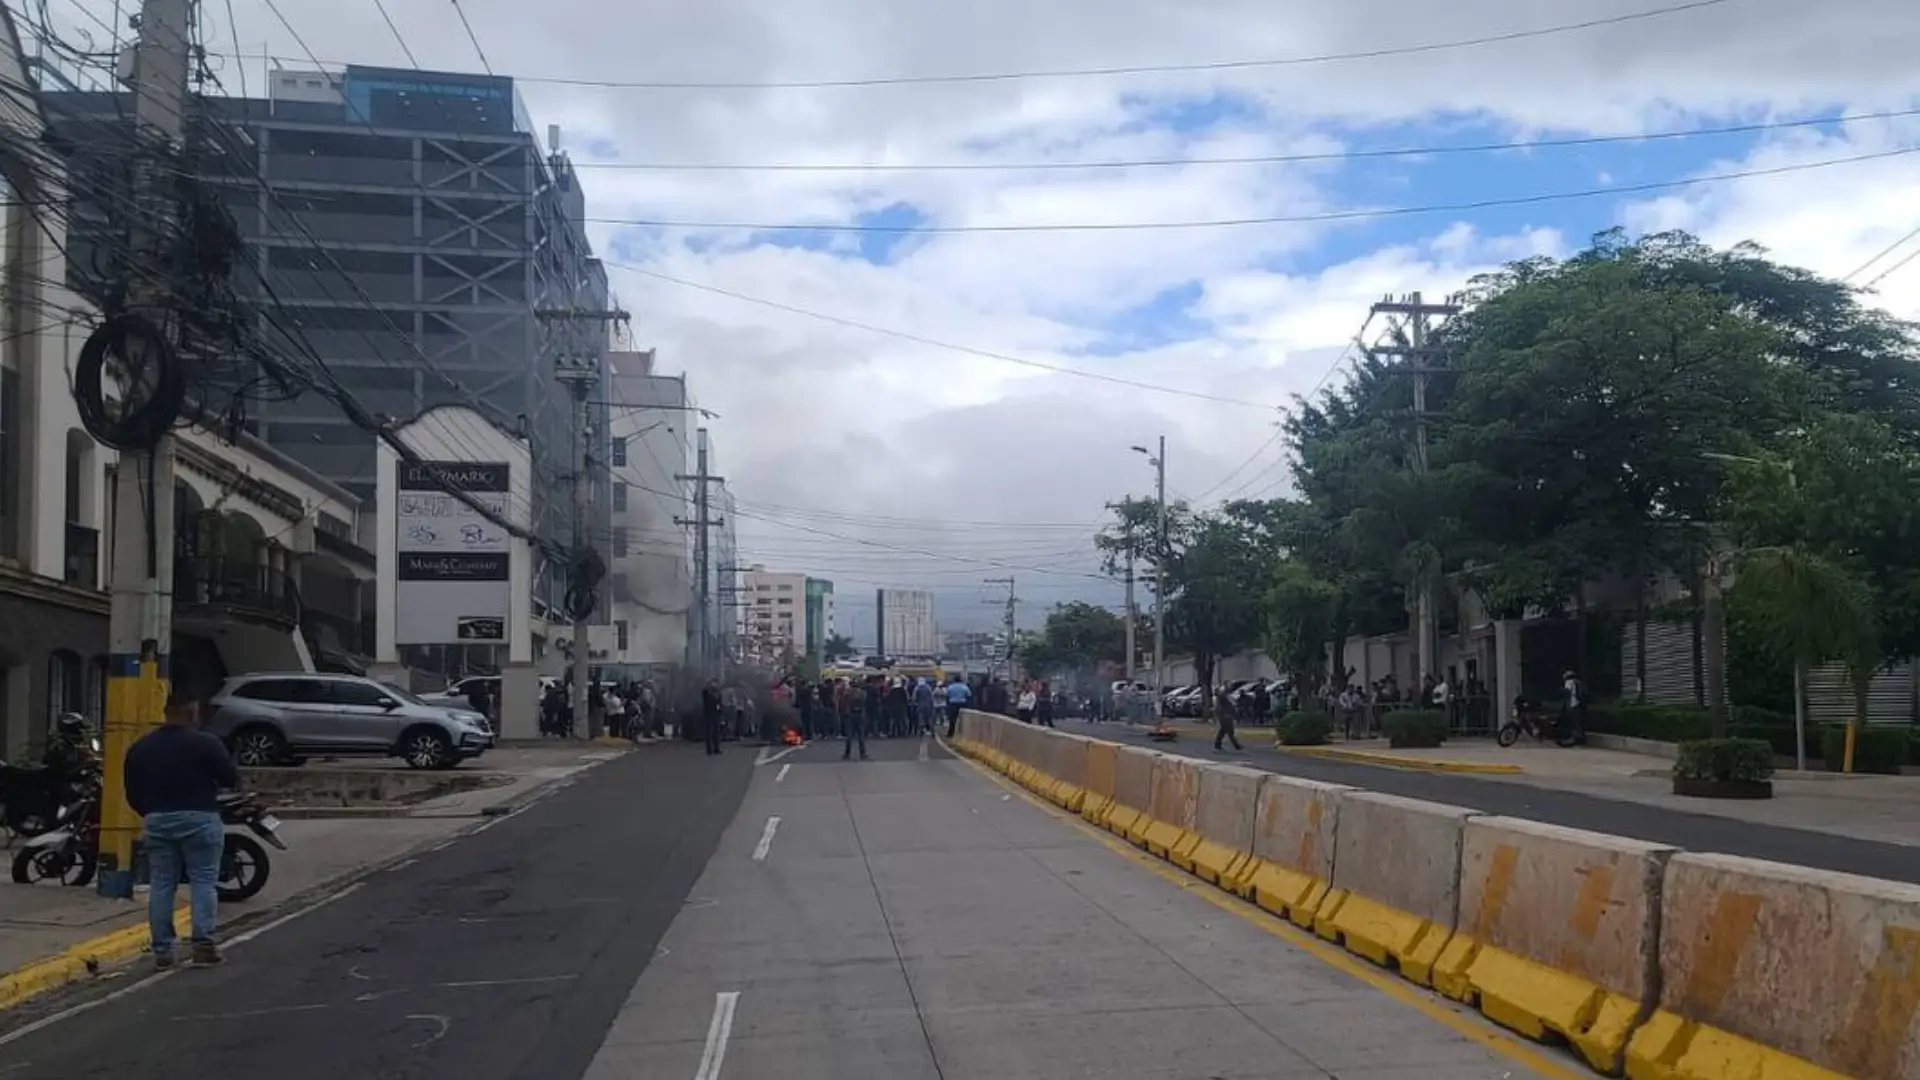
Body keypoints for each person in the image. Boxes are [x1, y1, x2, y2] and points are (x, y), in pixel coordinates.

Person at [124, 695, 239, 968]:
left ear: (165, 713)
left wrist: (150, 812)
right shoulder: (206, 743)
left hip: (158, 819)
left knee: (162, 884)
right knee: (203, 881)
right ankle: (203, 944)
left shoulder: (142, 747)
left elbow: (132, 791)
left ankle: (163, 950)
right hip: (200, 817)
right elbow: (229, 778)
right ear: (191, 711)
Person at [844, 678, 872, 761]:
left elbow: (844, 701)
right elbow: (865, 702)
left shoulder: (848, 692)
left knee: (849, 735)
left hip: (850, 714)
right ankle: (862, 753)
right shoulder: (863, 693)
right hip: (860, 714)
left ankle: (847, 753)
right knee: (861, 735)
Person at [1214, 685, 1243, 751]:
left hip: (1227, 716)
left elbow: (1232, 706)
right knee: (1229, 731)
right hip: (1225, 716)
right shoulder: (1223, 698)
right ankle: (1236, 746)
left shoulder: (1227, 697)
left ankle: (1218, 745)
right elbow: (1221, 700)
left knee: (1223, 731)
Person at [701, 680, 724, 755]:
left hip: (716, 714)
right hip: (709, 714)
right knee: (709, 732)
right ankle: (709, 749)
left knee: (716, 732)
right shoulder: (707, 693)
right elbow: (704, 694)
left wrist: (720, 710)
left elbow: (720, 703)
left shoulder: (718, 694)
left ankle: (717, 748)